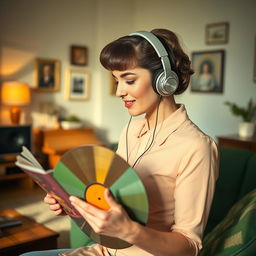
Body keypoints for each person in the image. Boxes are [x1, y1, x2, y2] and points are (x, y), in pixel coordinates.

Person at [21, 29, 219, 256]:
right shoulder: (131, 129)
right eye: (116, 80)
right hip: (103, 251)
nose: (119, 92)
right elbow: (112, 197)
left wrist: (130, 231)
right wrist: (72, 202)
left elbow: (189, 247)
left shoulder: (197, 147)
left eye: (129, 80)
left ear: (164, 81)